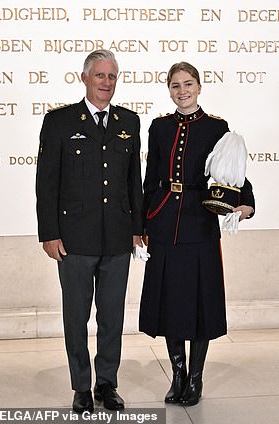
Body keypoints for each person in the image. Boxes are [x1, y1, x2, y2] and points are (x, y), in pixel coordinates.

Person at [139, 61, 255, 407]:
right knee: (170, 300)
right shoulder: (159, 127)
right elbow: (150, 178)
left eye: (188, 84)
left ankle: (195, 377)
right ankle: (177, 372)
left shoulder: (216, 127)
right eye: (175, 85)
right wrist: (142, 224)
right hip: (162, 221)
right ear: (169, 89)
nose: (182, 91)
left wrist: (246, 202)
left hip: (198, 222)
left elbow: (231, 171)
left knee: (199, 301)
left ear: (200, 87)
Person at [36, 49, 143, 413]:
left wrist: (137, 228)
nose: (106, 83)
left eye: (112, 76)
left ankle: (106, 384)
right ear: (84, 78)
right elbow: (47, 183)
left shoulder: (129, 121)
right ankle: (81, 386)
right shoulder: (60, 122)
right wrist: (49, 233)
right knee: (76, 315)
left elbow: (134, 182)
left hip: (116, 236)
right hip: (74, 240)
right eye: (99, 76)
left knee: (112, 316)